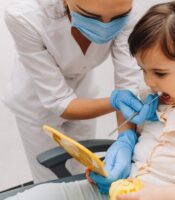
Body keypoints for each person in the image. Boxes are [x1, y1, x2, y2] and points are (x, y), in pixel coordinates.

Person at [4, 1, 175, 200]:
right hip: (122, 188)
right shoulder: (156, 99)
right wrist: (117, 157)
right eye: (143, 71)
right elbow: (61, 103)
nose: (148, 83)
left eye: (160, 73)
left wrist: (163, 193)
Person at [3, 0, 157, 183]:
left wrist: (126, 139)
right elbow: (59, 101)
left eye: (117, 18)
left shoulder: (127, 11)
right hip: (35, 102)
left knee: (85, 173)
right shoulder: (23, 17)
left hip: (84, 92)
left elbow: (127, 83)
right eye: (91, 16)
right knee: (49, 181)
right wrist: (114, 101)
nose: (105, 26)